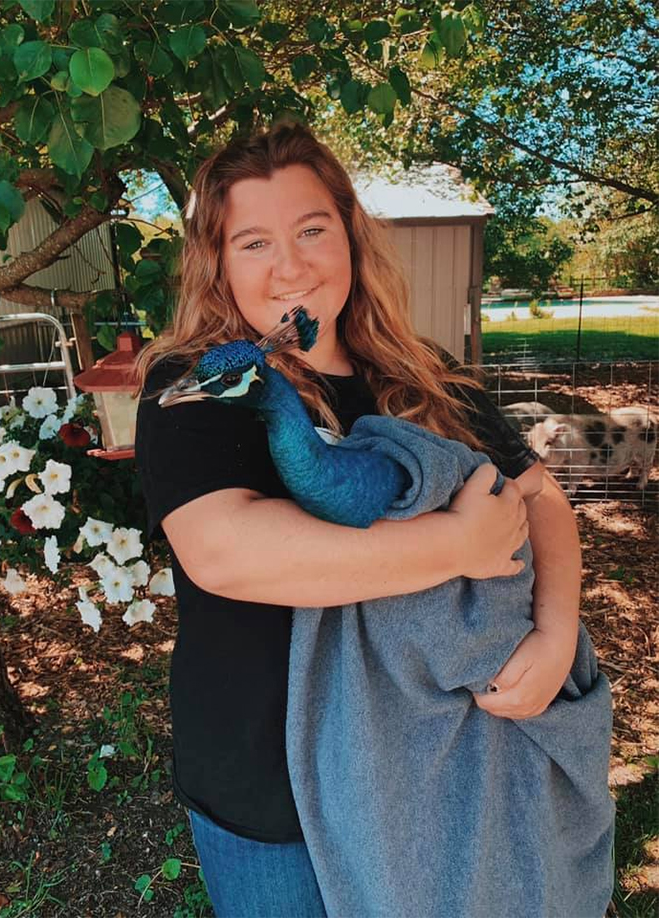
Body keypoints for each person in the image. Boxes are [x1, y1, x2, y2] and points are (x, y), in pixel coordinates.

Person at [134, 122, 585, 918]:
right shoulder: (203, 382)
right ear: (218, 262)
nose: (290, 266)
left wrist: (554, 636)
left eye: (312, 230)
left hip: (430, 768)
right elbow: (226, 552)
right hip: (270, 793)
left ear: (350, 236)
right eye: (253, 243)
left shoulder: (428, 374)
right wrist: (458, 544)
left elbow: (542, 500)